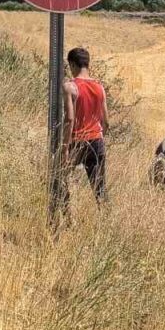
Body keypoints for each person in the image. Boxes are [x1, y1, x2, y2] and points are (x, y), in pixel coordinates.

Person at [51, 46, 109, 227]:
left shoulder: (70, 86)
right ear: (88, 64)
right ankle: (107, 224)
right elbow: (106, 121)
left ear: (72, 64)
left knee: (57, 178)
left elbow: (69, 118)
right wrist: (99, 139)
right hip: (97, 141)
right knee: (99, 190)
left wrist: (65, 148)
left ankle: (67, 218)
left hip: (77, 141)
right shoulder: (100, 87)